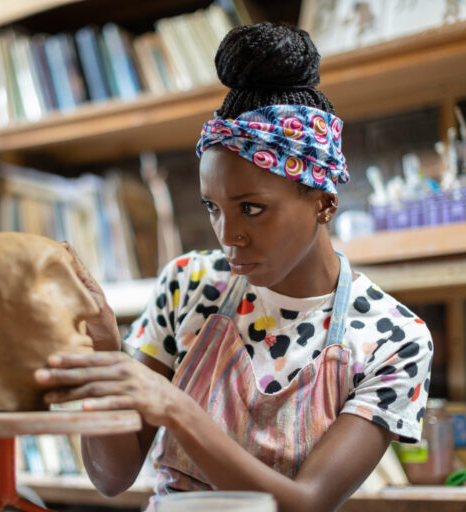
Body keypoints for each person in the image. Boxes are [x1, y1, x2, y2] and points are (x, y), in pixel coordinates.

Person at [35, 22, 433, 512]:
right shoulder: (189, 286)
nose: (228, 236)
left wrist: (178, 409)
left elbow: (305, 505)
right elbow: (111, 478)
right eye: (213, 208)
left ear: (324, 202)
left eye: (251, 208)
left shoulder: (393, 339)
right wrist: (103, 349)